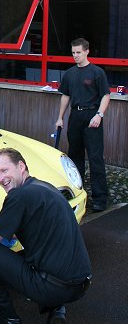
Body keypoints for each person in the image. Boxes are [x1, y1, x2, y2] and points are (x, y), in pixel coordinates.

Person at [0, 148, 91, 324]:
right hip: (81, 283)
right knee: (44, 255)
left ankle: (6, 317)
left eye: (4, 170)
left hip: (52, 287)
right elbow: (26, 232)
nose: (0, 178)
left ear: (21, 166)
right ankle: (57, 310)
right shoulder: (45, 188)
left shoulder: (18, 196)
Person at [55, 38, 110, 212]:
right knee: (75, 156)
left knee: (95, 158)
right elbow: (65, 96)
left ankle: (100, 199)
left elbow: (106, 95)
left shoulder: (97, 72)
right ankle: (78, 194)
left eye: (78, 52)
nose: (75, 56)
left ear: (87, 51)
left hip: (92, 116)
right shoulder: (70, 73)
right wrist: (60, 118)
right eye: (73, 53)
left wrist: (99, 115)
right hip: (75, 116)